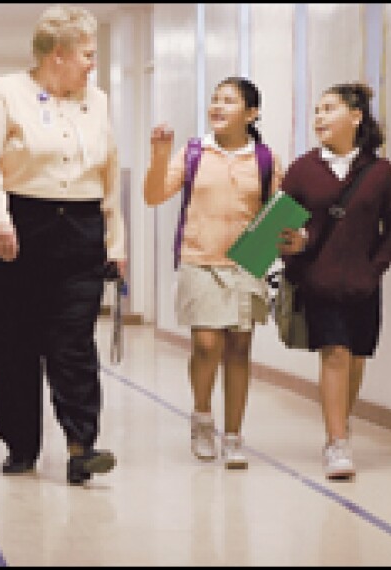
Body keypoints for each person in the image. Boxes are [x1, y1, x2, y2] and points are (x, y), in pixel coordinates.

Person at [0, 4, 126, 485]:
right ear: (58, 54)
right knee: (11, 342)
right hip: (16, 225)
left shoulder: (95, 100)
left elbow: (109, 172)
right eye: (87, 53)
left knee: (74, 343)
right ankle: (21, 445)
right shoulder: (3, 92)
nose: (92, 63)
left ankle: (82, 446)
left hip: (79, 228)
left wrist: (115, 244)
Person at [143, 77, 283, 469]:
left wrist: (282, 242)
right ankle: (202, 417)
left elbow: (275, 216)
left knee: (239, 349)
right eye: (214, 100)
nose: (218, 107)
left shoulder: (265, 159)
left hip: (245, 265)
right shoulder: (193, 152)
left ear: (251, 114)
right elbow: (152, 195)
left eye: (229, 101)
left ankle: (234, 436)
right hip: (199, 260)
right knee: (206, 345)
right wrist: (159, 155)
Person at [277, 82, 391, 480]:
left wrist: (374, 270)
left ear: (356, 116)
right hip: (318, 281)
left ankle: (340, 429)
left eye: (328, 109)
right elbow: (278, 231)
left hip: (363, 285)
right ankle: (336, 442)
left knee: (355, 359)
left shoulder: (381, 172)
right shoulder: (302, 169)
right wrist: (295, 245)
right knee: (334, 353)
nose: (319, 117)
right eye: (316, 110)